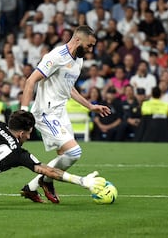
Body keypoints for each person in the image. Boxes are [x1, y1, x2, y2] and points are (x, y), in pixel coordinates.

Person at [19, 25, 111, 204]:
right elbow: (31, 81)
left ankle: (32, 187)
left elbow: (69, 88)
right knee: (74, 152)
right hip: (46, 112)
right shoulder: (56, 57)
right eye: (89, 46)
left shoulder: (79, 59)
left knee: (65, 155)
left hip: (60, 112)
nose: (91, 50)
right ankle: (46, 181)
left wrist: (90, 106)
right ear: (78, 40)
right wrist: (23, 111)